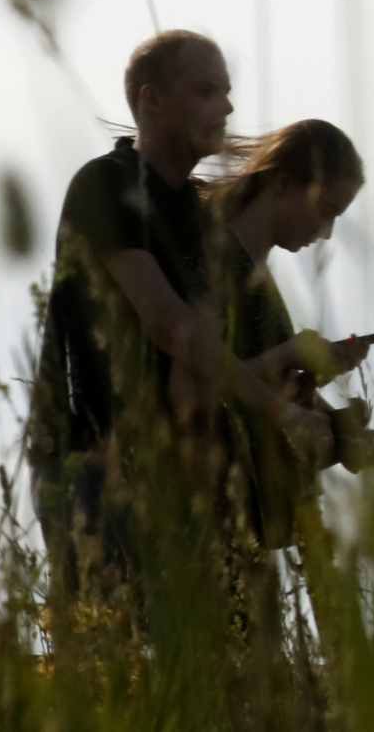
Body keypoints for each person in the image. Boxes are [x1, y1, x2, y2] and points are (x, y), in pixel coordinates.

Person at [28, 30, 333, 607]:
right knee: (119, 677)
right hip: (100, 476)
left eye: (227, 91)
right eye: (206, 91)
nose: (227, 107)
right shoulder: (106, 186)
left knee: (238, 684)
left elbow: (224, 362)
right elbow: (170, 326)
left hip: (189, 485)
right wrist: (279, 412)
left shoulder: (202, 221)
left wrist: (325, 422)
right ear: (152, 101)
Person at [201, 117, 374, 557]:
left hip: (253, 521)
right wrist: (289, 354)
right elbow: (201, 383)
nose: (325, 232)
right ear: (284, 184)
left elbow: (267, 394)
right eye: (325, 211)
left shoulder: (259, 279)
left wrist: (340, 434)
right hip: (212, 517)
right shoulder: (216, 263)